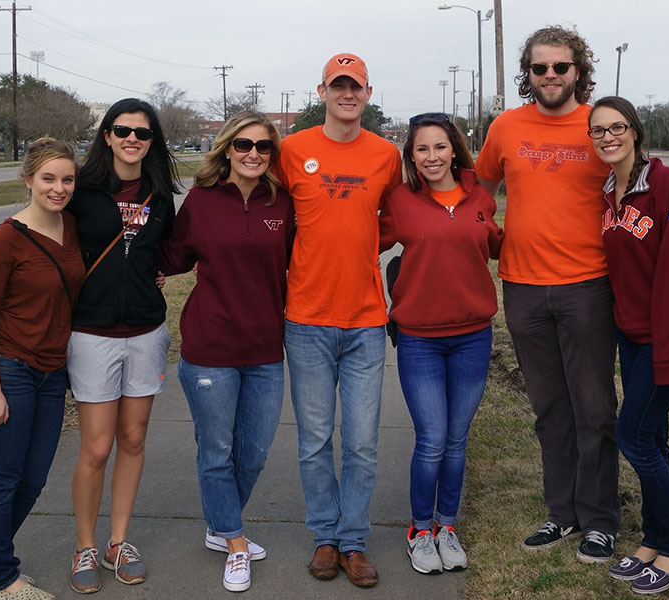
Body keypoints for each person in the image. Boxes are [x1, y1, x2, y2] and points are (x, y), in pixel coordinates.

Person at [475, 25, 669, 564]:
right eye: (539, 68)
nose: (549, 76)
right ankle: (562, 514)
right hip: (523, 288)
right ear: (527, 74)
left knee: (596, 407)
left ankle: (600, 520)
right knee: (549, 408)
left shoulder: (597, 125)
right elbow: (480, 190)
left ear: (579, 69)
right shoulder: (505, 127)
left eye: (560, 67)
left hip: (589, 287)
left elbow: (640, 172)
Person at [276, 52, 401, 588]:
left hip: (366, 319)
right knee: (314, 439)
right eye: (338, 85)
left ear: (368, 94)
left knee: (362, 442)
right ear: (323, 91)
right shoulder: (292, 148)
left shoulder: (386, 154)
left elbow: (399, 217)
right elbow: (266, 212)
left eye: (356, 87)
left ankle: (354, 541)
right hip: (305, 318)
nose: (347, 94)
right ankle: (324, 536)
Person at [160, 111, 295, 593]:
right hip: (209, 346)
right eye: (243, 145)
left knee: (253, 452)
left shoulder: (283, 203)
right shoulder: (201, 200)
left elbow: (305, 260)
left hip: (264, 349)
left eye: (263, 146)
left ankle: (221, 525)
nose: (253, 154)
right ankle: (235, 542)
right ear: (226, 150)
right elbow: (171, 257)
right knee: (216, 450)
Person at [589, 96, 669, 595]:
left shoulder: (665, 183)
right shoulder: (607, 191)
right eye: (598, 131)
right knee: (652, 437)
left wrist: (661, 350)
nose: (608, 137)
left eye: (617, 127)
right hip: (633, 333)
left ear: (635, 131)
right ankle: (655, 539)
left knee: (633, 436)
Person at [379, 113, 503, 575]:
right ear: (411, 157)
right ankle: (420, 530)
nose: (432, 157)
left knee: (456, 439)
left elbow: (501, 245)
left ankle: (447, 526)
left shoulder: (479, 199)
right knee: (431, 440)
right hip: (420, 341)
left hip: (473, 336)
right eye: (421, 150)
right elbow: (358, 242)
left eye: (439, 147)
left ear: (455, 149)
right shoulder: (401, 201)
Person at [65, 98, 179, 593]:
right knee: (96, 446)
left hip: (146, 332)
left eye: (143, 132)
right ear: (107, 135)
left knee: (133, 440)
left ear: (152, 140)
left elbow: (168, 252)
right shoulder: (82, 191)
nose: (133, 138)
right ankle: (85, 546)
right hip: (91, 333)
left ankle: (118, 541)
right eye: (123, 130)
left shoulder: (160, 194)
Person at [0, 138, 84, 600]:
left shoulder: (71, 227)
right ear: (28, 180)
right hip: (8, 370)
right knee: (3, 476)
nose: (58, 188)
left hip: (52, 373)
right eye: (48, 179)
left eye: (67, 179)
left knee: (33, 479)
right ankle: (1, 579)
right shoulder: (5, 239)